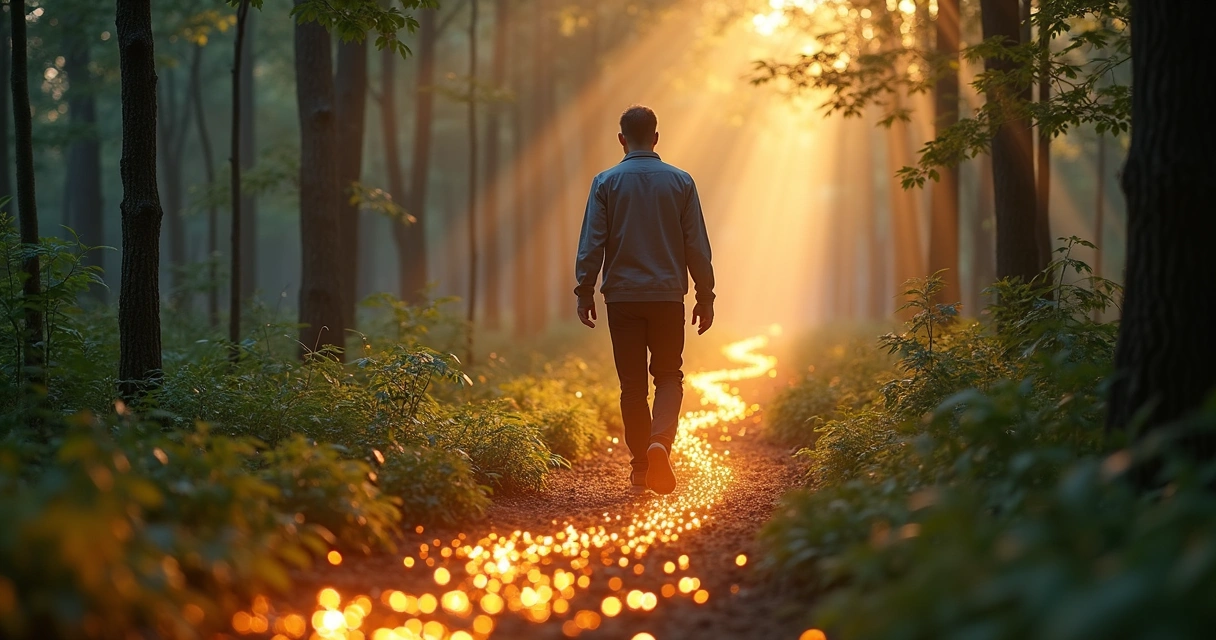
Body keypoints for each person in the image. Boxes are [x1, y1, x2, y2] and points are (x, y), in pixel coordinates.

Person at [573, 104, 716, 495]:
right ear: (656, 137)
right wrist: (706, 294)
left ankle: (639, 469)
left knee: (632, 386)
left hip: (622, 298)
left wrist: (584, 289)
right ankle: (660, 444)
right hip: (668, 297)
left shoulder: (605, 183)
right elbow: (696, 246)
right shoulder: (681, 182)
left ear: (622, 140)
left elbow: (592, 244)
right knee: (669, 376)